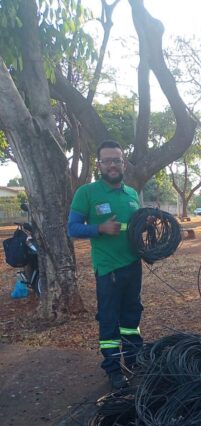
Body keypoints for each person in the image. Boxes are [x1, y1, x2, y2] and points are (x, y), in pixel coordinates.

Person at [68, 140, 143, 390]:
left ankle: (134, 361)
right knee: (110, 320)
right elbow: (72, 228)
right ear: (99, 164)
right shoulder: (87, 193)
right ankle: (113, 369)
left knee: (132, 315)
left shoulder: (132, 194)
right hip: (108, 269)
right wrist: (99, 228)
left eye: (117, 160)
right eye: (107, 160)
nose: (113, 165)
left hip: (133, 265)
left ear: (123, 164)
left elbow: (137, 227)